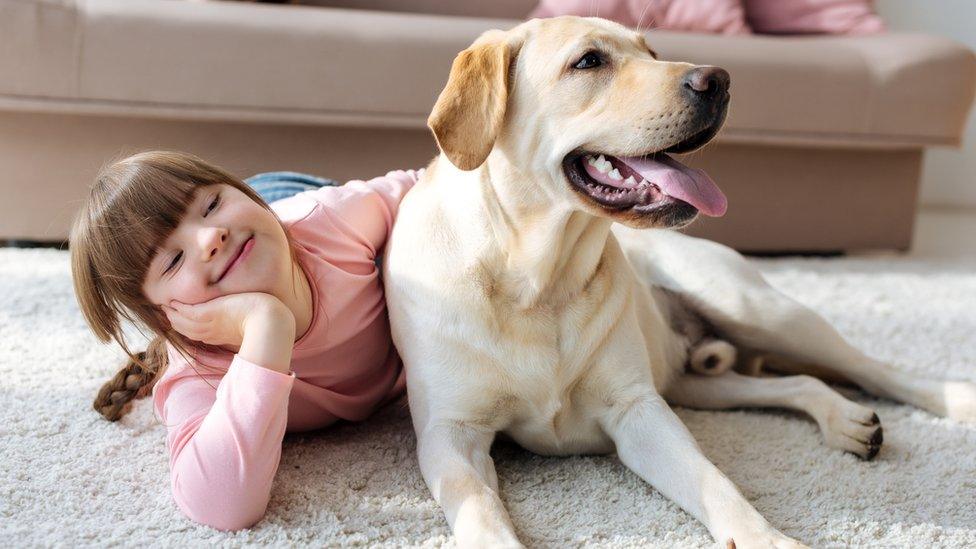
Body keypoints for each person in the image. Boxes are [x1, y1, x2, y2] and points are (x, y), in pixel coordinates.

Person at [69, 150, 421, 531]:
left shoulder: (331, 220)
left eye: (211, 203)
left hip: (282, 197)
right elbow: (222, 506)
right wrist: (266, 326)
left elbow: (433, 185)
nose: (209, 237)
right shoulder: (197, 368)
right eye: (172, 260)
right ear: (164, 317)